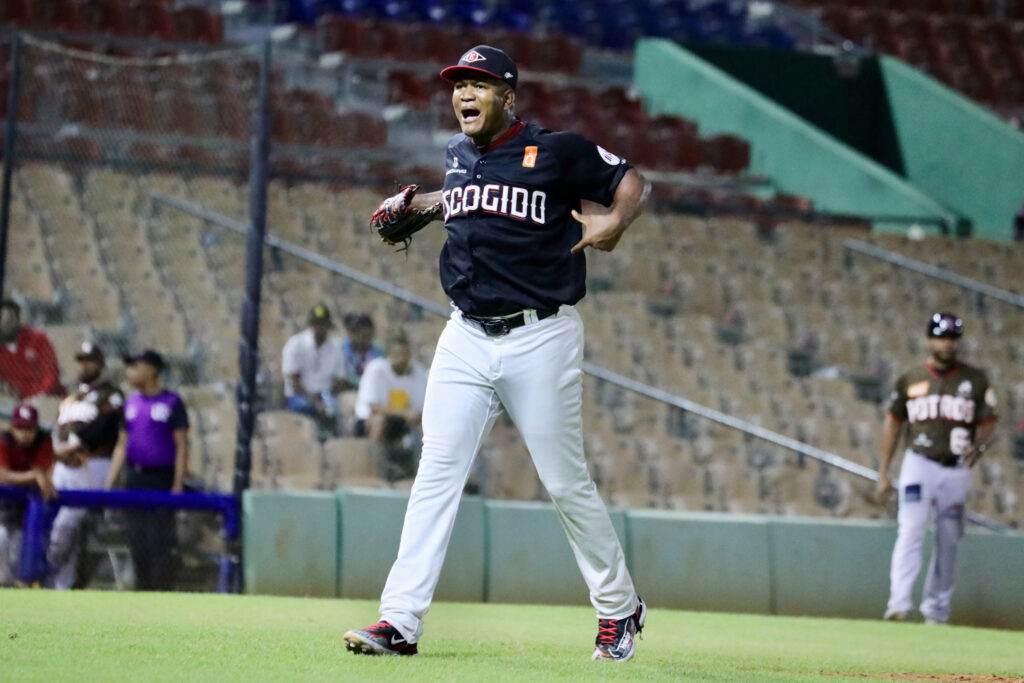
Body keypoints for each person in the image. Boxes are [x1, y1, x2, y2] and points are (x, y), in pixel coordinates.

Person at [344, 45, 649, 661]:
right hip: (465, 335)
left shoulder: (555, 149)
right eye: (458, 85)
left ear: (508, 95)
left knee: (565, 482)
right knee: (436, 474)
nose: (464, 94)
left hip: (541, 335)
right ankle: (398, 621)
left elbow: (630, 180)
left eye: (478, 84)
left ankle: (620, 608)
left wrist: (615, 221)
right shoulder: (459, 157)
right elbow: (469, 199)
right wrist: (423, 206)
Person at [876, 312, 998, 625]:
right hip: (919, 462)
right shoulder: (911, 377)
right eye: (942, 337)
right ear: (930, 339)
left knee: (949, 538)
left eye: (953, 337)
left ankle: (937, 611)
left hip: (956, 468)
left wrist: (979, 446)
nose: (947, 343)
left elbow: (988, 421)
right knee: (910, 530)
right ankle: (898, 605)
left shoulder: (974, 380)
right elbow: (892, 425)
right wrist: (883, 472)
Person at [105, 350, 189, 591]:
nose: (130, 372)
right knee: (137, 539)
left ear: (152, 370)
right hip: (135, 477)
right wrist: (111, 482)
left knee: (160, 539)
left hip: (161, 477)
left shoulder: (172, 402)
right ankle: (142, 591)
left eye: (135, 366)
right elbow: (122, 445)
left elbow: (181, 444)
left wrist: (177, 483)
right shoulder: (130, 403)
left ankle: (162, 591)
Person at [48, 341, 125, 590]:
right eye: (81, 360)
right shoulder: (72, 396)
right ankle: (62, 584)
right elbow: (59, 429)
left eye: (90, 360)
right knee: (55, 520)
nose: (84, 365)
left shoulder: (110, 394)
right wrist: (59, 453)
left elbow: (106, 428)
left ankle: (46, 570)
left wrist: (74, 447)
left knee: (68, 523)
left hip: (92, 464)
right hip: (65, 465)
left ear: (100, 364)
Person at [354, 329, 429, 481]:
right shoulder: (377, 369)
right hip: (369, 421)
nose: (402, 360)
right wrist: (405, 414)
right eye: (397, 355)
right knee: (379, 422)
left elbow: (421, 408)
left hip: (402, 423)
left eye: (405, 355)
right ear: (390, 353)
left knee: (427, 430)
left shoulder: (418, 374)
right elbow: (373, 407)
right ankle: (372, 470)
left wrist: (411, 416)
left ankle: (417, 477)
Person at [0, 404, 56, 586]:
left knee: (24, 549)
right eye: (20, 428)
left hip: (31, 507)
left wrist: (37, 475)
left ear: (36, 428)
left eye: (29, 429)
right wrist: (33, 475)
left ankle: (20, 586)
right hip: (5, 503)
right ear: (12, 427)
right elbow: (3, 475)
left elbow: (43, 472)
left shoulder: (44, 440)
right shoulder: (4, 440)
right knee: (3, 541)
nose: (24, 433)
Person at [281, 304, 347, 434]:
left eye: (323, 324)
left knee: (343, 410)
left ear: (328, 326)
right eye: (317, 324)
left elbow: (339, 380)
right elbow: (294, 383)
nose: (320, 328)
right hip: (300, 397)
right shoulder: (295, 344)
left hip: (325, 396)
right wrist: (315, 402)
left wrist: (329, 398)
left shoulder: (335, 348)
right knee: (306, 407)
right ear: (310, 324)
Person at [0, 299, 62, 400]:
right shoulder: (2, 350)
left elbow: (51, 374)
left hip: (45, 399)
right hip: (13, 403)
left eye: (10, 319)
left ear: (17, 320)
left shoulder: (38, 339)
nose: (4, 324)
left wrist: (39, 396)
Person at [340, 313, 384, 390]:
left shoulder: (378, 352)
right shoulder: (342, 349)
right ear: (354, 334)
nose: (367, 341)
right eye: (363, 336)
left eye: (370, 337)